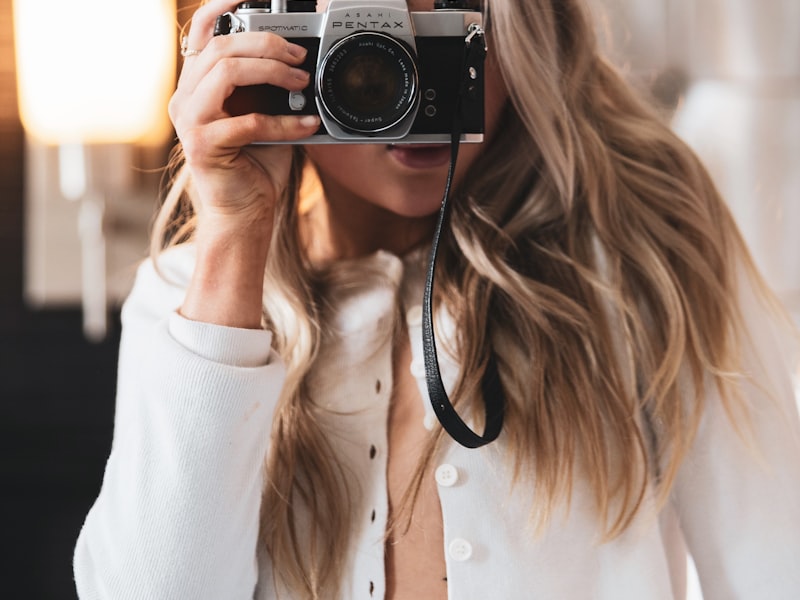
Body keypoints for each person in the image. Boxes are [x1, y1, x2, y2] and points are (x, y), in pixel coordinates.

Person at [74, 0, 800, 598]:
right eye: (369, 38)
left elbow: (775, 561)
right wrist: (233, 242)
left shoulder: (644, 253)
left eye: (454, 21)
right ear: (277, 44)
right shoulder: (188, 297)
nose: (407, 80)